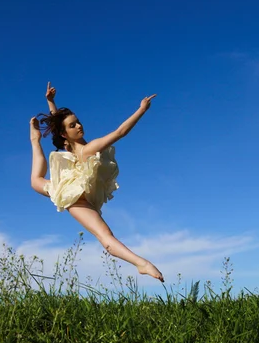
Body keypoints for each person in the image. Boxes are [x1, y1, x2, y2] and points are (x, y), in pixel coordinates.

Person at [29, 82, 164, 282]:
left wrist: (51, 102)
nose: (79, 126)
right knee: (105, 238)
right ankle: (142, 264)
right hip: (75, 195)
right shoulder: (81, 147)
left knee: (36, 181)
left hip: (79, 190)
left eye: (78, 122)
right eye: (73, 125)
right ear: (65, 134)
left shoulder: (84, 147)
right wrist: (142, 110)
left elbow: (63, 128)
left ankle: (141, 263)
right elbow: (118, 132)